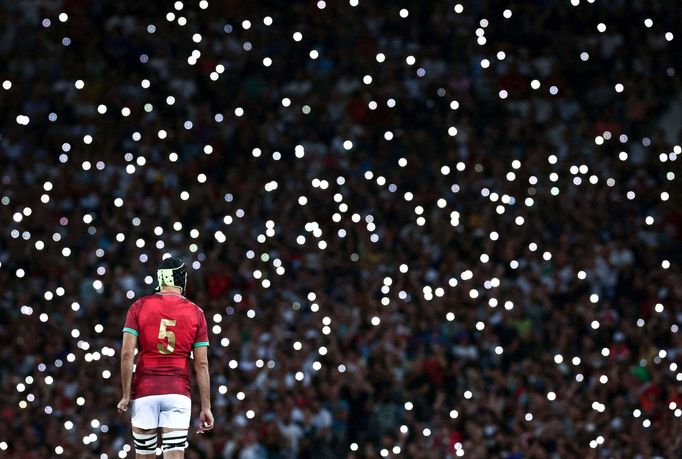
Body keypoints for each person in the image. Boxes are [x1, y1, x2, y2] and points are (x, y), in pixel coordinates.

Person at [117, 256, 214, 458]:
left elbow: (127, 354)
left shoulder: (139, 307)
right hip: (178, 392)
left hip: (145, 390)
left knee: (144, 455)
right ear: (182, 280)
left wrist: (126, 394)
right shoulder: (196, 313)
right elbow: (202, 364)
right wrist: (206, 407)